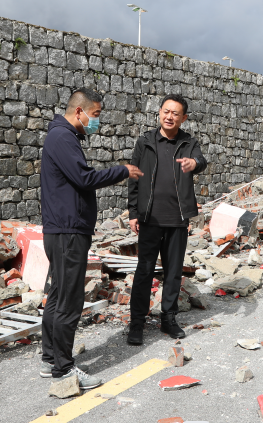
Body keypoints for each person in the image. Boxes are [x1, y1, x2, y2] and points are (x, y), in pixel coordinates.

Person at [40, 87, 143, 388]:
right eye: (95, 115)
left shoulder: (64, 136)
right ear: (79, 111)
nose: (96, 122)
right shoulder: (63, 138)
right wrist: (121, 170)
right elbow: (83, 178)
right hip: (68, 231)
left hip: (63, 229)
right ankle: (63, 369)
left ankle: (51, 360)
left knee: (58, 294)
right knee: (69, 300)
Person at [126, 94, 207, 345]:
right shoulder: (145, 142)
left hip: (177, 219)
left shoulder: (188, 142)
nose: (169, 116)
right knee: (144, 271)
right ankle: (137, 322)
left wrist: (194, 163)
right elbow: (134, 177)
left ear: (183, 118)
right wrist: (132, 213)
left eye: (175, 113)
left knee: (173, 272)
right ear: (159, 113)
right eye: (166, 111)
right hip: (150, 218)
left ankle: (168, 318)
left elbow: (200, 161)